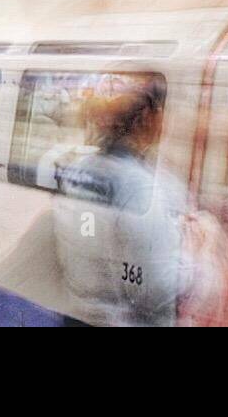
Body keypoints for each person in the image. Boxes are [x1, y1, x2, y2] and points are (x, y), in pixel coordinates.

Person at [52, 72, 191, 326]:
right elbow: (155, 287)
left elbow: (85, 242)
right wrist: (199, 261)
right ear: (150, 118)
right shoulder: (138, 187)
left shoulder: (78, 170)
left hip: (78, 315)